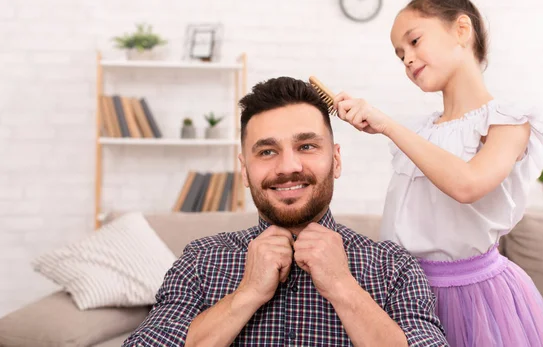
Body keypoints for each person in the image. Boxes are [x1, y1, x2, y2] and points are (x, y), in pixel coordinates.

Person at [123, 76, 448, 347]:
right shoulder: (199, 260)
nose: (288, 166)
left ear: (336, 159)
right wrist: (247, 294)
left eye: (306, 146)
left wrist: (342, 287)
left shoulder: (393, 268)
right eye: (267, 151)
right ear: (244, 170)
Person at [332, 0, 543, 346]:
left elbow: (468, 184)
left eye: (414, 41)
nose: (408, 59)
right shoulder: (421, 131)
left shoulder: (508, 122)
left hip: (477, 301)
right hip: (406, 295)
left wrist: (388, 126)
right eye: (400, 55)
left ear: (461, 30)